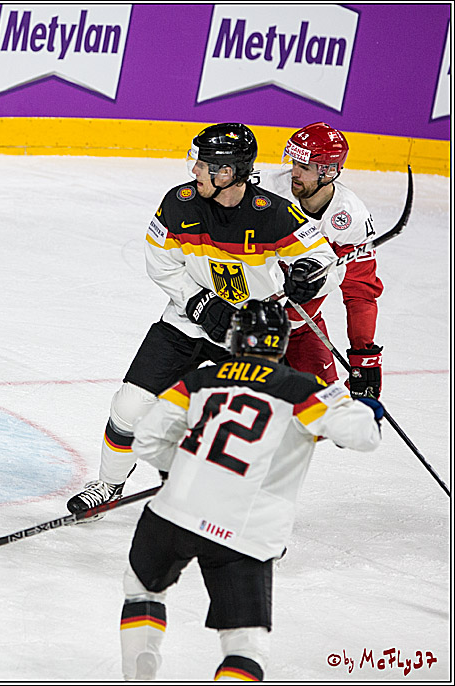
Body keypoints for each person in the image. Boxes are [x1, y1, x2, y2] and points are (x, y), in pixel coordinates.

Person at [66, 122, 344, 518]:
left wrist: (309, 277)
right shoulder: (179, 204)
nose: (193, 170)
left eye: (202, 164)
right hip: (185, 323)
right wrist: (198, 303)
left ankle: (255, 519)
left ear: (227, 173)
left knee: (257, 433)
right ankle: (109, 486)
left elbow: (323, 262)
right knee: (129, 407)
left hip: (249, 340)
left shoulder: (274, 215)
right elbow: (160, 261)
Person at [117, 299, 383, 681]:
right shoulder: (302, 389)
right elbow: (361, 436)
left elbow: (146, 440)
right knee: (245, 646)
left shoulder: (201, 378)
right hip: (244, 531)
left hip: (174, 512)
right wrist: (362, 407)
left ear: (235, 337)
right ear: (282, 342)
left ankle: (137, 669)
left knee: (142, 589)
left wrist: (189, 468)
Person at [258, 122, 384, 398]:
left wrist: (364, 354)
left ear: (328, 172)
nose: (294, 172)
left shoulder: (351, 218)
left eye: (304, 167)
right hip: (246, 323)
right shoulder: (265, 189)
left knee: (326, 408)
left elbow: (360, 292)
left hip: (301, 326)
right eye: (293, 163)